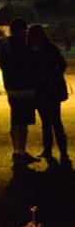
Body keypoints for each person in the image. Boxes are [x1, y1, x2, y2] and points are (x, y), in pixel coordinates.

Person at [0, 18, 38, 167]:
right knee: (22, 122)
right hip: (24, 88)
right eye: (25, 30)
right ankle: (21, 151)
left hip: (12, 88)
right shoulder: (22, 46)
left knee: (15, 120)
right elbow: (28, 64)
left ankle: (17, 150)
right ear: (20, 31)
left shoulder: (4, 46)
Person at [28, 24, 69, 166]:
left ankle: (62, 150)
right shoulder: (32, 51)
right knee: (46, 122)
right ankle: (48, 150)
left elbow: (62, 65)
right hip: (41, 90)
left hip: (51, 89)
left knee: (55, 121)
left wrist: (54, 76)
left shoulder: (50, 49)